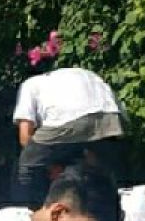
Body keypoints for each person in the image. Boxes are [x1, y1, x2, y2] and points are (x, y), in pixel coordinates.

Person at [10, 66, 126, 204]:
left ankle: (26, 210)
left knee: (27, 164)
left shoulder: (30, 84)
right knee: (97, 168)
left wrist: (47, 165)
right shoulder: (78, 73)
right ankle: (108, 207)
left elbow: (25, 136)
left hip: (68, 118)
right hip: (111, 116)